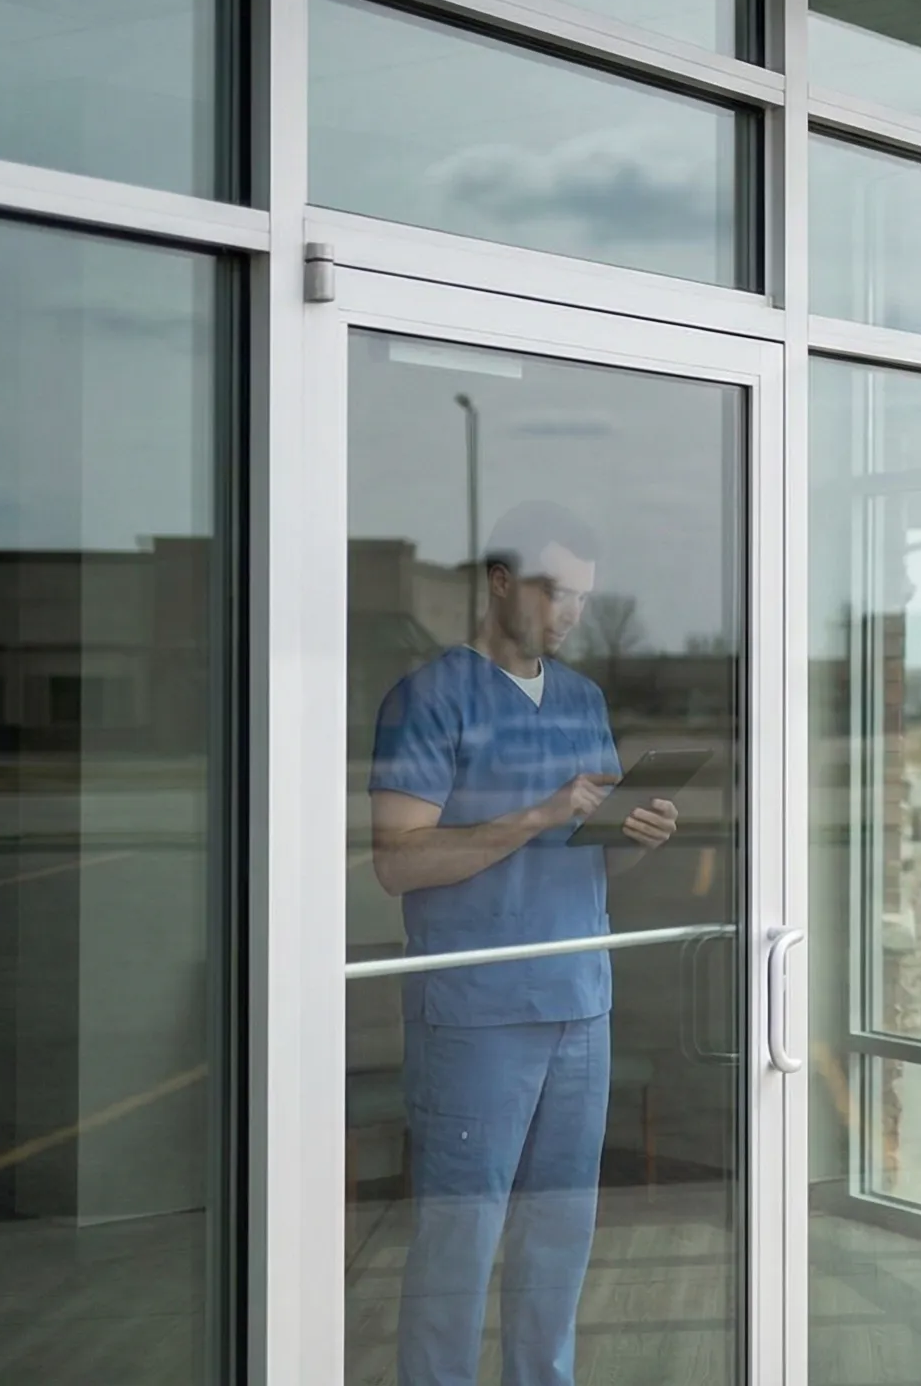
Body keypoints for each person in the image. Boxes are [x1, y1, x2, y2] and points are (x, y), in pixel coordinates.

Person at [368, 501, 678, 1386]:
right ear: (500, 581)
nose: (571, 613)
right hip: (478, 1012)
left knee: (559, 1231)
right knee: (460, 1235)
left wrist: (631, 835)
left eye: (584, 595)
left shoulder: (584, 699)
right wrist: (539, 814)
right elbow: (396, 865)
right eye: (556, 591)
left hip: (581, 1001)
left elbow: (587, 868)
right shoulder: (426, 700)